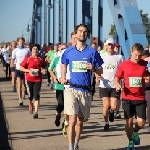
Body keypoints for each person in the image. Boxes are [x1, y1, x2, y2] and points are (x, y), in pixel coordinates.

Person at [60, 24, 103, 150]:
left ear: (87, 35)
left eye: (85, 32)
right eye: (80, 31)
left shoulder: (92, 52)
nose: (82, 34)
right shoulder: (68, 51)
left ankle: (77, 142)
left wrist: (94, 68)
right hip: (71, 88)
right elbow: (63, 64)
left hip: (85, 90)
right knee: (72, 120)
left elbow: (101, 70)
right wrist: (62, 76)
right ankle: (70, 147)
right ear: (76, 34)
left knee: (80, 120)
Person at [114, 43, 149, 150]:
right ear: (130, 52)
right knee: (129, 121)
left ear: (142, 54)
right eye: (135, 55)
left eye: (139, 55)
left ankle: (135, 131)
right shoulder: (124, 65)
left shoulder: (144, 64)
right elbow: (117, 77)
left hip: (140, 98)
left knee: (141, 122)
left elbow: (147, 75)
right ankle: (130, 142)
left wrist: (147, 78)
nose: (137, 57)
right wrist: (117, 84)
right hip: (127, 97)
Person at [99, 38, 124, 131]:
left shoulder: (119, 57)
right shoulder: (102, 57)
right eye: (108, 45)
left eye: (112, 45)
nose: (110, 46)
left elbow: (122, 70)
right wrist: (97, 75)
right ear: (106, 46)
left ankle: (111, 111)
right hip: (104, 84)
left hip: (114, 85)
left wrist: (122, 81)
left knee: (113, 106)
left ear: (114, 46)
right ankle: (106, 123)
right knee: (106, 105)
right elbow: (98, 68)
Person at [20, 44, 46, 118]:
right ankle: (30, 104)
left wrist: (43, 70)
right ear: (31, 50)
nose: (35, 50)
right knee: (31, 96)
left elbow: (44, 66)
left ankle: (36, 112)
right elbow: (21, 68)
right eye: (34, 49)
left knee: (37, 95)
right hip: (29, 79)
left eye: (36, 49)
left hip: (38, 79)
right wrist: (29, 71)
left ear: (38, 51)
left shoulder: (40, 59)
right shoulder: (28, 58)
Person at [49, 43, 67, 128]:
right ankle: (58, 115)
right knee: (61, 104)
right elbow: (50, 69)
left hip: (68, 86)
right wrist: (54, 77)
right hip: (59, 86)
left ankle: (65, 122)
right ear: (59, 49)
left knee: (68, 106)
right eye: (62, 48)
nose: (63, 50)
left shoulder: (69, 59)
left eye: (65, 48)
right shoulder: (56, 59)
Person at [11, 37, 31, 106]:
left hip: (25, 69)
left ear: (24, 42)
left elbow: (30, 58)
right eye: (20, 41)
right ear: (18, 42)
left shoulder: (27, 50)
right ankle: (20, 99)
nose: (21, 42)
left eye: (22, 41)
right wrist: (12, 66)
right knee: (19, 84)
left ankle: (23, 93)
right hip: (18, 69)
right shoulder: (15, 50)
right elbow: (13, 59)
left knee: (24, 85)